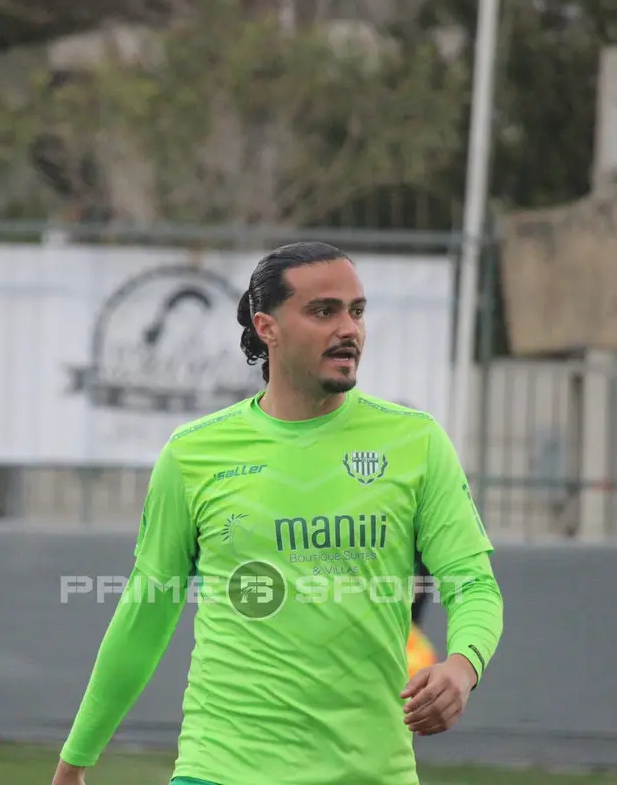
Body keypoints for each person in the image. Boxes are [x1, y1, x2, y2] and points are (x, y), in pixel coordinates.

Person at [53, 242, 504, 785]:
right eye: (323, 311)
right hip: (220, 769)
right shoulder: (193, 454)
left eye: (357, 311)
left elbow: (473, 584)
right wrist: (75, 761)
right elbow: (145, 612)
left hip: (370, 772)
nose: (348, 329)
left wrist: (463, 665)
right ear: (267, 327)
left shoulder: (417, 442)